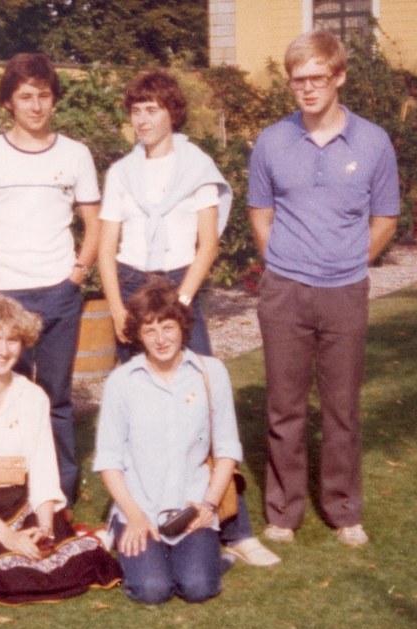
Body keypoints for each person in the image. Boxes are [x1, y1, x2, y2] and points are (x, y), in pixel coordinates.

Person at [98, 69, 280, 568]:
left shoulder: (197, 165)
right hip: (133, 286)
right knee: (136, 407)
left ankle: (233, 527)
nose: (142, 119)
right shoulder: (120, 173)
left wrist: (181, 302)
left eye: (152, 109)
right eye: (136, 110)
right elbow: (106, 248)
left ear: (172, 113)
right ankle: (131, 515)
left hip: (181, 283)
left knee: (205, 404)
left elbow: (209, 243)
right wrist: (118, 309)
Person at [247, 30, 400, 547]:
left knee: (341, 407)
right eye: (298, 81)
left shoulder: (374, 141)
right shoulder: (271, 141)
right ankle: (283, 513)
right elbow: (260, 213)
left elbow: (385, 217)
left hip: (345, 292)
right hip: (285, 291)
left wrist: (352, 262)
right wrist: (281, 264)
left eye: (317, 78)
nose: (308, 89)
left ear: (338, 77)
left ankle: (343, 509)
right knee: (284, 408)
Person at [0, 53, 101, 513]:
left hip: (59, 293)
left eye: (44, 96)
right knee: (6, 397)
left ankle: (57, 489)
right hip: (6, 297)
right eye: (26, 96)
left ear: (53, 100)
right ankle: (9, 490)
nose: (36, 105)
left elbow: (95, 222)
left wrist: (77, 274)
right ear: (9, 102)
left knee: (57, 396)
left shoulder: (75, 153)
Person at [0, 296, 121, 604]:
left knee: (82, 563)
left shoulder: (33, 396)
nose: (3, 351)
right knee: (11, 577)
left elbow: (44, 471)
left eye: (13, 340)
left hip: (22, 502)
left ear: (23, 343)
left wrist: (44, 526)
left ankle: (76, 537)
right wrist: (7, 538)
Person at [93, 278, 242, 604]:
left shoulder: (211, 372)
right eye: (149, 330)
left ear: (182, 326)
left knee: (198, 588)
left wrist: (209, 505)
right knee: (152, 591)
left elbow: (228, 448)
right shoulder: (122, 382)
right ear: (138, 335)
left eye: (167, 327)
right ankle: (136, 553)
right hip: (140, 508)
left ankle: (203, 559)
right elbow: (108, 459)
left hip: (191, 507)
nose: (160, 339)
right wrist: (133, 515)